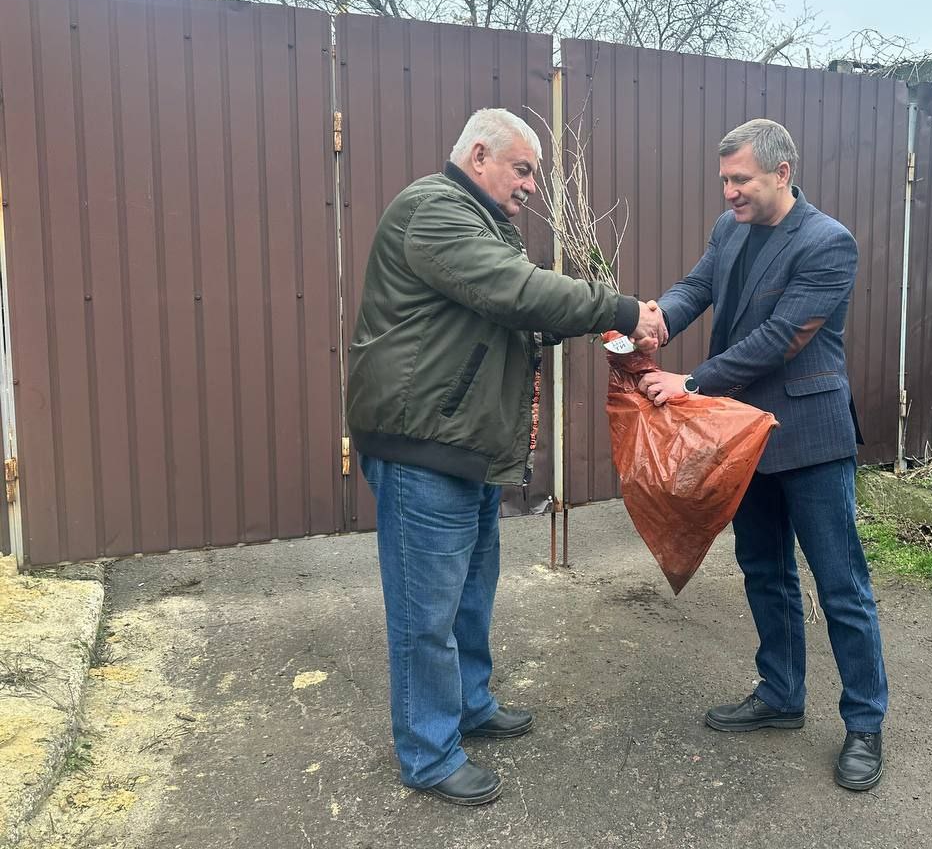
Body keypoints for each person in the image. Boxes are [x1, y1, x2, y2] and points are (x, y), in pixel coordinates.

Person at [346, 108, 666, 806]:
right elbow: (514, 291)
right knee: (426, 612)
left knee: (469, 594)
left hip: (466, 446)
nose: (530, 186)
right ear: (480, 156)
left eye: (534, 174)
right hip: (423, 448)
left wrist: (581, 331)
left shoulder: (486, 225)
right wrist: (619, 311)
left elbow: (509, 314)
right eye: (523, 169)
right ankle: (428, 753)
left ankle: (468, 705)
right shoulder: (434, 211)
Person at [639, 118, 888, 791]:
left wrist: (691, 383)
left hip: (809, 439)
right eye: (724, 180)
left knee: (841, 586)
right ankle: (781, 694)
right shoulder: (730, 229)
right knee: (764, 571)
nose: (729, 192)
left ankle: (865, 722)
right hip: (743, 436)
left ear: (782, 173)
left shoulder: (828, 242)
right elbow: (697, 287)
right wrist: (657, 318)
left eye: (740, 179)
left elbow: (781, 338)